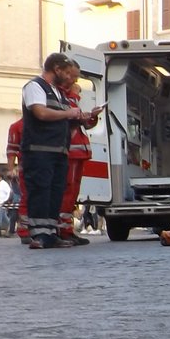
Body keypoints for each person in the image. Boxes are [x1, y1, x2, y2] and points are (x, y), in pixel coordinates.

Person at [19, 52, 91, 249]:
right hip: (39, 149)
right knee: (40, 190)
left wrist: (79, 119)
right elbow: (40, 112)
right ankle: (39, 234)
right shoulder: (35, 86)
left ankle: (51, 233)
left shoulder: (58, 92)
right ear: (56, 69)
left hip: (58, 151)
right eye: (67, 73)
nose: (69, 77)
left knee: (55, 192)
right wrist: (68, 113)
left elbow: (64, 120)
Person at [56, 62, 98, 246]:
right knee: (67, 189)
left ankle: (67, 228)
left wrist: (91, 116)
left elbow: (82, 123)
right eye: (72, 76)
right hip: (70, 150)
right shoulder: (62, 95)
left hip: (78, 150)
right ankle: (63, 229)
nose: (75, 80)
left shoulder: (72, 97)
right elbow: (67, 118)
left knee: (73, 191)